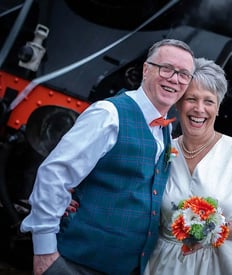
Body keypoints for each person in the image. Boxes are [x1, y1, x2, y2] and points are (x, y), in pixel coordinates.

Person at [20, 38, 195, 275]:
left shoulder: (164, 129)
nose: (174, 79)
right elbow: (54, 175)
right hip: (75, 263)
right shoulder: (108, 114)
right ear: (146, 69)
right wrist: (45, 252)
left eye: (184, 74)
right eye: (166, 69)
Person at [143, 57, 232, 275]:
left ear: (218, 107)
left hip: (222, 267)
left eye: (209, 101)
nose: (199, 109)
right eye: (191, 99)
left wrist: (210, 231)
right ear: (178, 103)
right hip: (163, 265)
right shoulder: (162, 150)